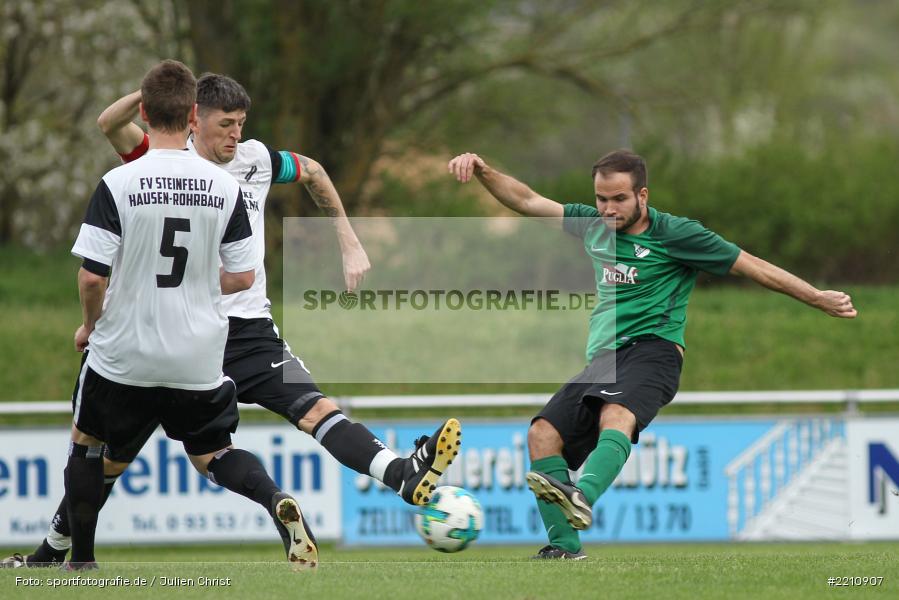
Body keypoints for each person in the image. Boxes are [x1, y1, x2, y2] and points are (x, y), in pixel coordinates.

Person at [2, 74, 460, 570]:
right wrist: (162, 88)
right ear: (194, 118)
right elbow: (110, 123)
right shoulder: (162, 163)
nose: (235, 135)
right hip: (193, 330)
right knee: (127, 459)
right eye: (225, 124)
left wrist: (348, 239)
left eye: (241, 124)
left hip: (226, 330)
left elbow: (313, 171)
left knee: (314, 411)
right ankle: (56, 549)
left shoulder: (255, 159)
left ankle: (399, 472)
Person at [448, 149, 857, 560]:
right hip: (604, 360)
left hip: (655, 351)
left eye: (619, 199)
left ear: (642, 195)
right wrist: (484, 171)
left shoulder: (677, 234)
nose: (608, 208)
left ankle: (581, 494)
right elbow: (528, 201)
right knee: (541, 435)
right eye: (601, 198)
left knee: (616, 416)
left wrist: (816, 297)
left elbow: (751, 265)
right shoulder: (593, 224)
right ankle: (564, 549)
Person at [53, 59, 324, 570]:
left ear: (147, 112)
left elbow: (92, 277)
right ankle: (274, 500)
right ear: (193, 114)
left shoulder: (120, 181)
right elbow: (244, 276)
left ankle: (80, 561)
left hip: (127, 350)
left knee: (89, 443)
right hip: (198, 355)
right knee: (214, 452)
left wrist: (91, 325)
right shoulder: (224, 187)